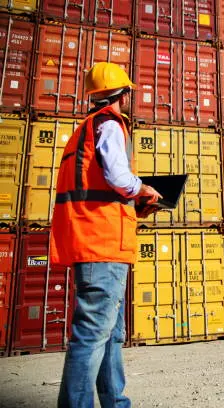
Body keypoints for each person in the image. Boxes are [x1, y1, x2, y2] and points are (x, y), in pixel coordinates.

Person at [50, 62, 162, 408]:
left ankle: (116, 403)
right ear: (123, 94)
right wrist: (144, 190)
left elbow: (95, 186)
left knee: (111, 334)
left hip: (92, 238)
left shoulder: (82, 130)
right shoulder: (110, 125)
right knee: (92, 334)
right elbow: (117, 177)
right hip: (102, 242)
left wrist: (134, 205)